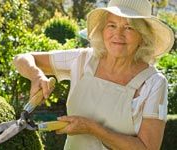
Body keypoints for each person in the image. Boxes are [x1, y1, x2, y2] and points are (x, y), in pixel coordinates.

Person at [13, 0, 174, 149]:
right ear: (103, 30)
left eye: (129, 27)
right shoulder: (83, 59)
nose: (118, 34)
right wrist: (36, 76)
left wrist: (92, 128)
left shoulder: (153, 82)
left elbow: (148, 148)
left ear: (142, 37)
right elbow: (22, 59)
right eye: (112, 25)